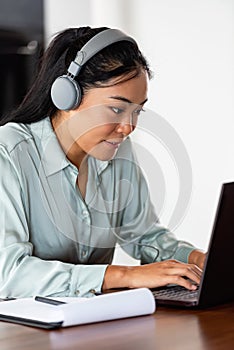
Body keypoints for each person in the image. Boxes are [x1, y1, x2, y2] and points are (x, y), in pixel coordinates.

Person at [0, 26, 206, 298]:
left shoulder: (116, 148)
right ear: (67, 96)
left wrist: (199, 259)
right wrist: (124, 276)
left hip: (88, 321)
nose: (128, 127)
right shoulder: (9, 153)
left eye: (137, 111)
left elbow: (143, 235)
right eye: (117, 109)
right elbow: (8, 273)